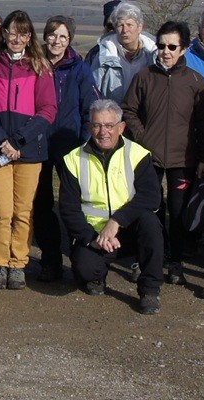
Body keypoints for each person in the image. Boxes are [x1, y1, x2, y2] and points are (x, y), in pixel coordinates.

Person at [120, 20, 204, 289]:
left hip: (183, 160)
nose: (166, 51)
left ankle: (176, 262)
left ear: (183, 48)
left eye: (172, 46)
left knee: (179, 212)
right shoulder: (145, 77)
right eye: (161, 45)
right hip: (148, 156)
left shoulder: (195, 82)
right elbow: (129, 110)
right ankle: (147, 259)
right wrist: (143, 137)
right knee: (150, 210)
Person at [0, 9, 57, 291]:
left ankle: (18, 264)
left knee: (23, 211)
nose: (16, 38)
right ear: (3, 34)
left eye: (23, 33)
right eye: (11, 32)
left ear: (29, 36)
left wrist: (18, 141)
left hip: (29, 151)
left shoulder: (40, 66)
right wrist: (2, 141)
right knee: (1, 210)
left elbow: (48, 110)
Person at [57, 100, 165, 315]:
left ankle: (149, 290)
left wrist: (117, 222)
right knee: (84, 270)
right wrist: (92, 238)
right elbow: (69, 209)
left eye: (109, 125)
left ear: (121, 127)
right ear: (89, 128)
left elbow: (151, 197)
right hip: (95, 235)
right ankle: (97, 277)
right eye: (97, 125)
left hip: (129, 231)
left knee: (151, 224)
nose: (102, 132)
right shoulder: (73, 159)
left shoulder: (138, 154)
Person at [32, 14, 96, 283]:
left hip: (70, 146)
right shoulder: (33, 64)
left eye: (62, 36)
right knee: (42, 205)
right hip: (38, 145)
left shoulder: (79, 69)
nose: (56, 41)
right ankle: (50, 261)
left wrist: (83, 145)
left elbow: (88, 109)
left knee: (73, 206)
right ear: (44, 36)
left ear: (69, 39)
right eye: (52, 35)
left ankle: (80, 260)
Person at [90, 1, 155, 102]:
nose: (125, 30)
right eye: (120, 25)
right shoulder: (104, 56)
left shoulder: (152, 55)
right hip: (112, 114)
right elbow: (94, 91)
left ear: (140, 27)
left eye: (129, 25)